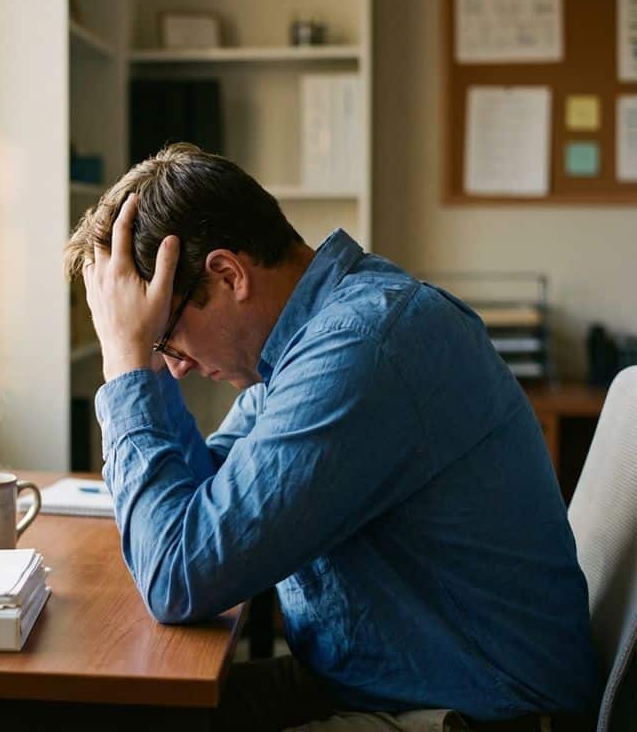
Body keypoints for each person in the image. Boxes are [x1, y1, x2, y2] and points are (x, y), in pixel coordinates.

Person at [63, 143, 597, 732]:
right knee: (104, 710)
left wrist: (126, 366)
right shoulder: (311, 341)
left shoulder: (360, 348)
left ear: (227, 274)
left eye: (166, 337)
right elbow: (206, 497)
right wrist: (144, 363)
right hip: (380, 678)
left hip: (474, 711)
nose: (178, 367)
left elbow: (177, 575)